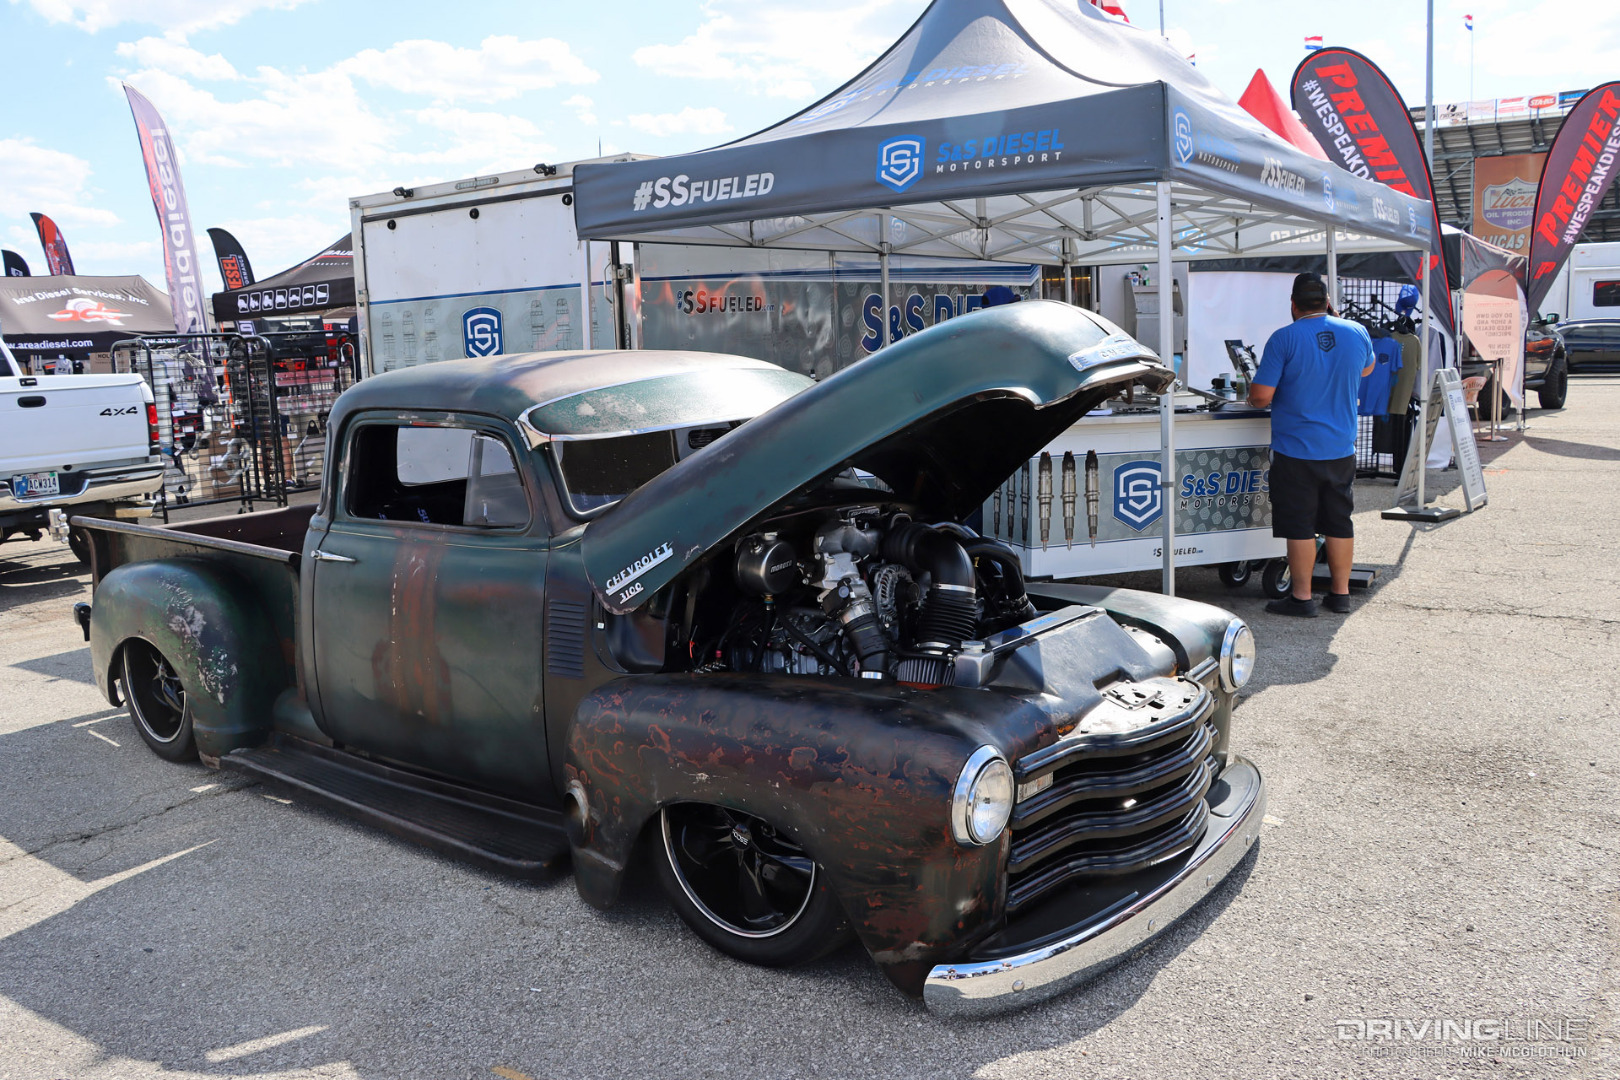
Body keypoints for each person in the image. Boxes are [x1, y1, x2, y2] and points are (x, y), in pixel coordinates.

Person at [1248, 273, 1375, 617]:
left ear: (1293, 304)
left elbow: (1260, 397)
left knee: (1301, 525)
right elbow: (1367, 368)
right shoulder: (1357, 332)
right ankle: (1340, 594)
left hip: (1296, 448)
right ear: (1327, 301)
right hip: (1341, 446)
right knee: (1339, 521)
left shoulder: (1284, 338)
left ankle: (1301, 598)